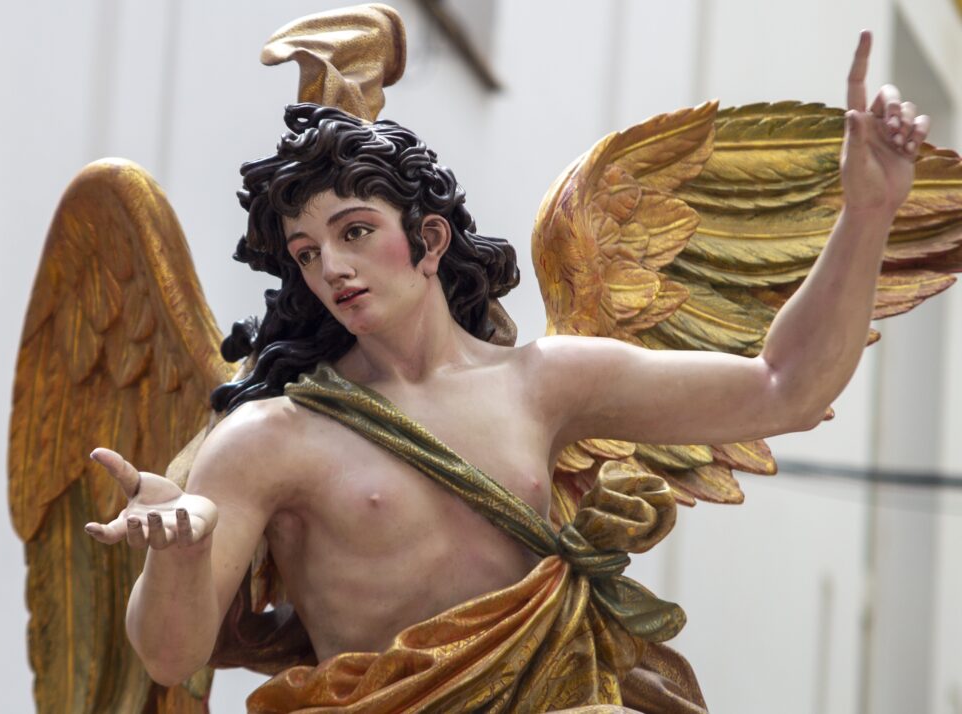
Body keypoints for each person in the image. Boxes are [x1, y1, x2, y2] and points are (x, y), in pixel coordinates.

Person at [84, 32, 929, 712]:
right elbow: (170, 656)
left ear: (429, 240)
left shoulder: (542, 383)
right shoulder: (270, 438)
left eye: (355, 232)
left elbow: (784, 388)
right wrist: (180, 556)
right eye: (306, 253)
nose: (331, 267)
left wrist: (867, 214)